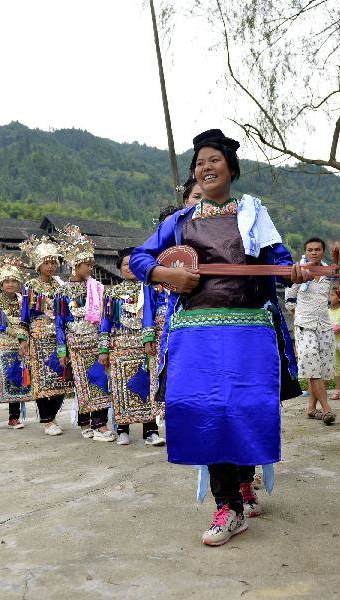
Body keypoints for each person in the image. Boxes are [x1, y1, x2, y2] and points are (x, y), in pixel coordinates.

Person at [130, 128, 303, 546]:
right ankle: (228, 507)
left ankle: (243, 484)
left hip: (248, 330)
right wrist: (166, 274)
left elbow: (279, 260)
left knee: (244, 407)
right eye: (199, 163)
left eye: (214, 160)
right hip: (196, 333)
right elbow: (138, 258)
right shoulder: (179, 221)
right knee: (203, 408)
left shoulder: (253, 213)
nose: (206, 168)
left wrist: (292, 270)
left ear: (231, 168)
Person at [54, 225, 116, 442]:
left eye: (91, 264)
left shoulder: (97, 288)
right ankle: (84, 422)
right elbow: (59, 323)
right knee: (81, 383)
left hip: (96, 341)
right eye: (86, 264)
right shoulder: (62, 291)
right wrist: (61, 350)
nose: (90, 268)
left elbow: (105, 317)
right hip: (76, 344)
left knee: (99, 381)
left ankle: (100, 424)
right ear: (75, 265)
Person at [100, 247, 165, 447]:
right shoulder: (112, 293)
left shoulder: (150, 288)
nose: (129, 268)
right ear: (119, 268)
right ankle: (122, 430)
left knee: (147, 387)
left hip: (146, 346)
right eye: (126, 264)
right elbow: (105, 322)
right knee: (121, 388)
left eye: (133, 264)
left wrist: (150, 338)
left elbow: (155, 314)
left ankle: (150, 431)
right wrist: (103, 349)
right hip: (120, 346)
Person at [20, 235, 73, 435]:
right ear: (38, 265)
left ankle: (52, 414)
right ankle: (47, 420)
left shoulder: (60, 286)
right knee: (42, 379)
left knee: (61, 378)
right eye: (46, 263)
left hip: (59, 337)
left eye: (53, 262)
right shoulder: (31, 287)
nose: (50, 266)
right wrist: (23, 339)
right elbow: (25, 315)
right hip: (39, 337)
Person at [285, 237, 336, 424]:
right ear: (305, 252)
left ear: (323, 252)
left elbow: (327, 299)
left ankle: (311, 408)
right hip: (304, 324)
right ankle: (327, 409)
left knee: (321, 368)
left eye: (317, 249)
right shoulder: (298, 271)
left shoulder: (329, 273)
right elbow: (289, 301)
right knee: (311, 361)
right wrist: (299, 319)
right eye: (310, 250)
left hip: (324, 324)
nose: (314, 252)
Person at [0, 255, 30, 431]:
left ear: (18, 283)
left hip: (20, 346)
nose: (10, 284)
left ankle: (13, 418)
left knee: (17, 379)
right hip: (1, 345)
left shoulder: (23, 301)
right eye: (7, 281)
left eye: (14, 281)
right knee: (3, 380)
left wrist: (24, 341)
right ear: (1, 284)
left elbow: (27, 322)